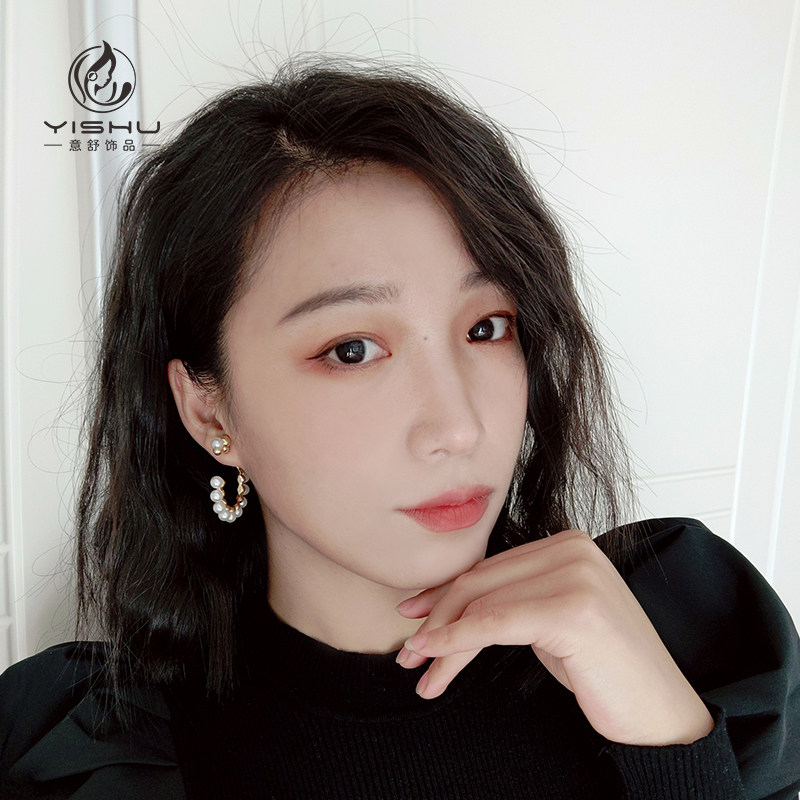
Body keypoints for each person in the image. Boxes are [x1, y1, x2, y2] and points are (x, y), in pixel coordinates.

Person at [1, 57, 799, 800]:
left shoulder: (677, 643)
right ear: (210, 410)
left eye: (487, 328)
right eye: (352, 349)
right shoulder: (103, 754)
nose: (458, 427)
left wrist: (673, 746)